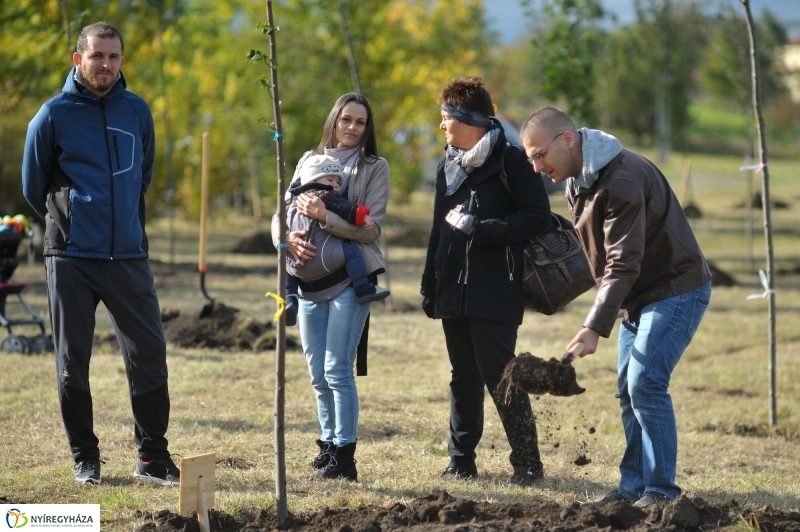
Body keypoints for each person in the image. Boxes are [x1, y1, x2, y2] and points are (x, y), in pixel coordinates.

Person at [519, 106, 712, 508]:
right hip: (638, 297)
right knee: (628, 390)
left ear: (567, 140)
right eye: (530, 159)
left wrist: (593, 325)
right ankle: (633, 489)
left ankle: (660, 492)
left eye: (539, 155)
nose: (537, 167)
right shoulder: (580, 179)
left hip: (675, 288)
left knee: (645, 383)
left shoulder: (621, 178)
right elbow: (598, 255)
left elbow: (623, 262)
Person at [22, 21, 179, 486]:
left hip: (128, 255)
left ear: (122, 61)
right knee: (73, 361)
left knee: (149, 351)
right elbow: (34, 188)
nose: (105, 65)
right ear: (79, 59)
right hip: (71, 256)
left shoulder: (137, 111)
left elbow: (142, 177)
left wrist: (121, 220)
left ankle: (152, 457)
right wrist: (70, 218)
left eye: (114, 57)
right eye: (97, 56)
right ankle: (85, 458)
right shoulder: (52, 115)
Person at [420, 77, 552, 486]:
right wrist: (429, 281)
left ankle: (528, 464)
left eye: (447, 118)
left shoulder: (512, 161)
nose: (442, 126)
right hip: (453, 289)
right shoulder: (448, 165)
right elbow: (438, 230)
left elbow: (538, 218)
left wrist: (485, 229)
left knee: (501, 375)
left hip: (497, 287)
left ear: (470, 119)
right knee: (462, 375)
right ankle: (461, 460)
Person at [271, 93, 390, 481]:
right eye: (347, 119)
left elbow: (371, 229)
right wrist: (285, 238)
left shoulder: (375, 168)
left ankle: (345, 457)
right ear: (334, 120)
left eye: (361, 122)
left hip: (348, 281)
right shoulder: (309, 160)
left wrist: (325, 217)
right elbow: (282, 210)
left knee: (337, 369)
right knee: (316, 373)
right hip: (307, 284)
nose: (353, 127)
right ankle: (326, 444)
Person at [283, 154, 390, 326]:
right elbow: (346, 209)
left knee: (287, 268)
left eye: (338, 182)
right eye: (330, 179)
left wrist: (286, 239)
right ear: (314, 179)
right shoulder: (324, 195)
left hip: (298, 257)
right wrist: (364, 217)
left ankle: (289, 299)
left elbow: (281, 218)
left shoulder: (295, 197)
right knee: (352, 253)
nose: (335, 185)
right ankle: (362, 287)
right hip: (323, 254)